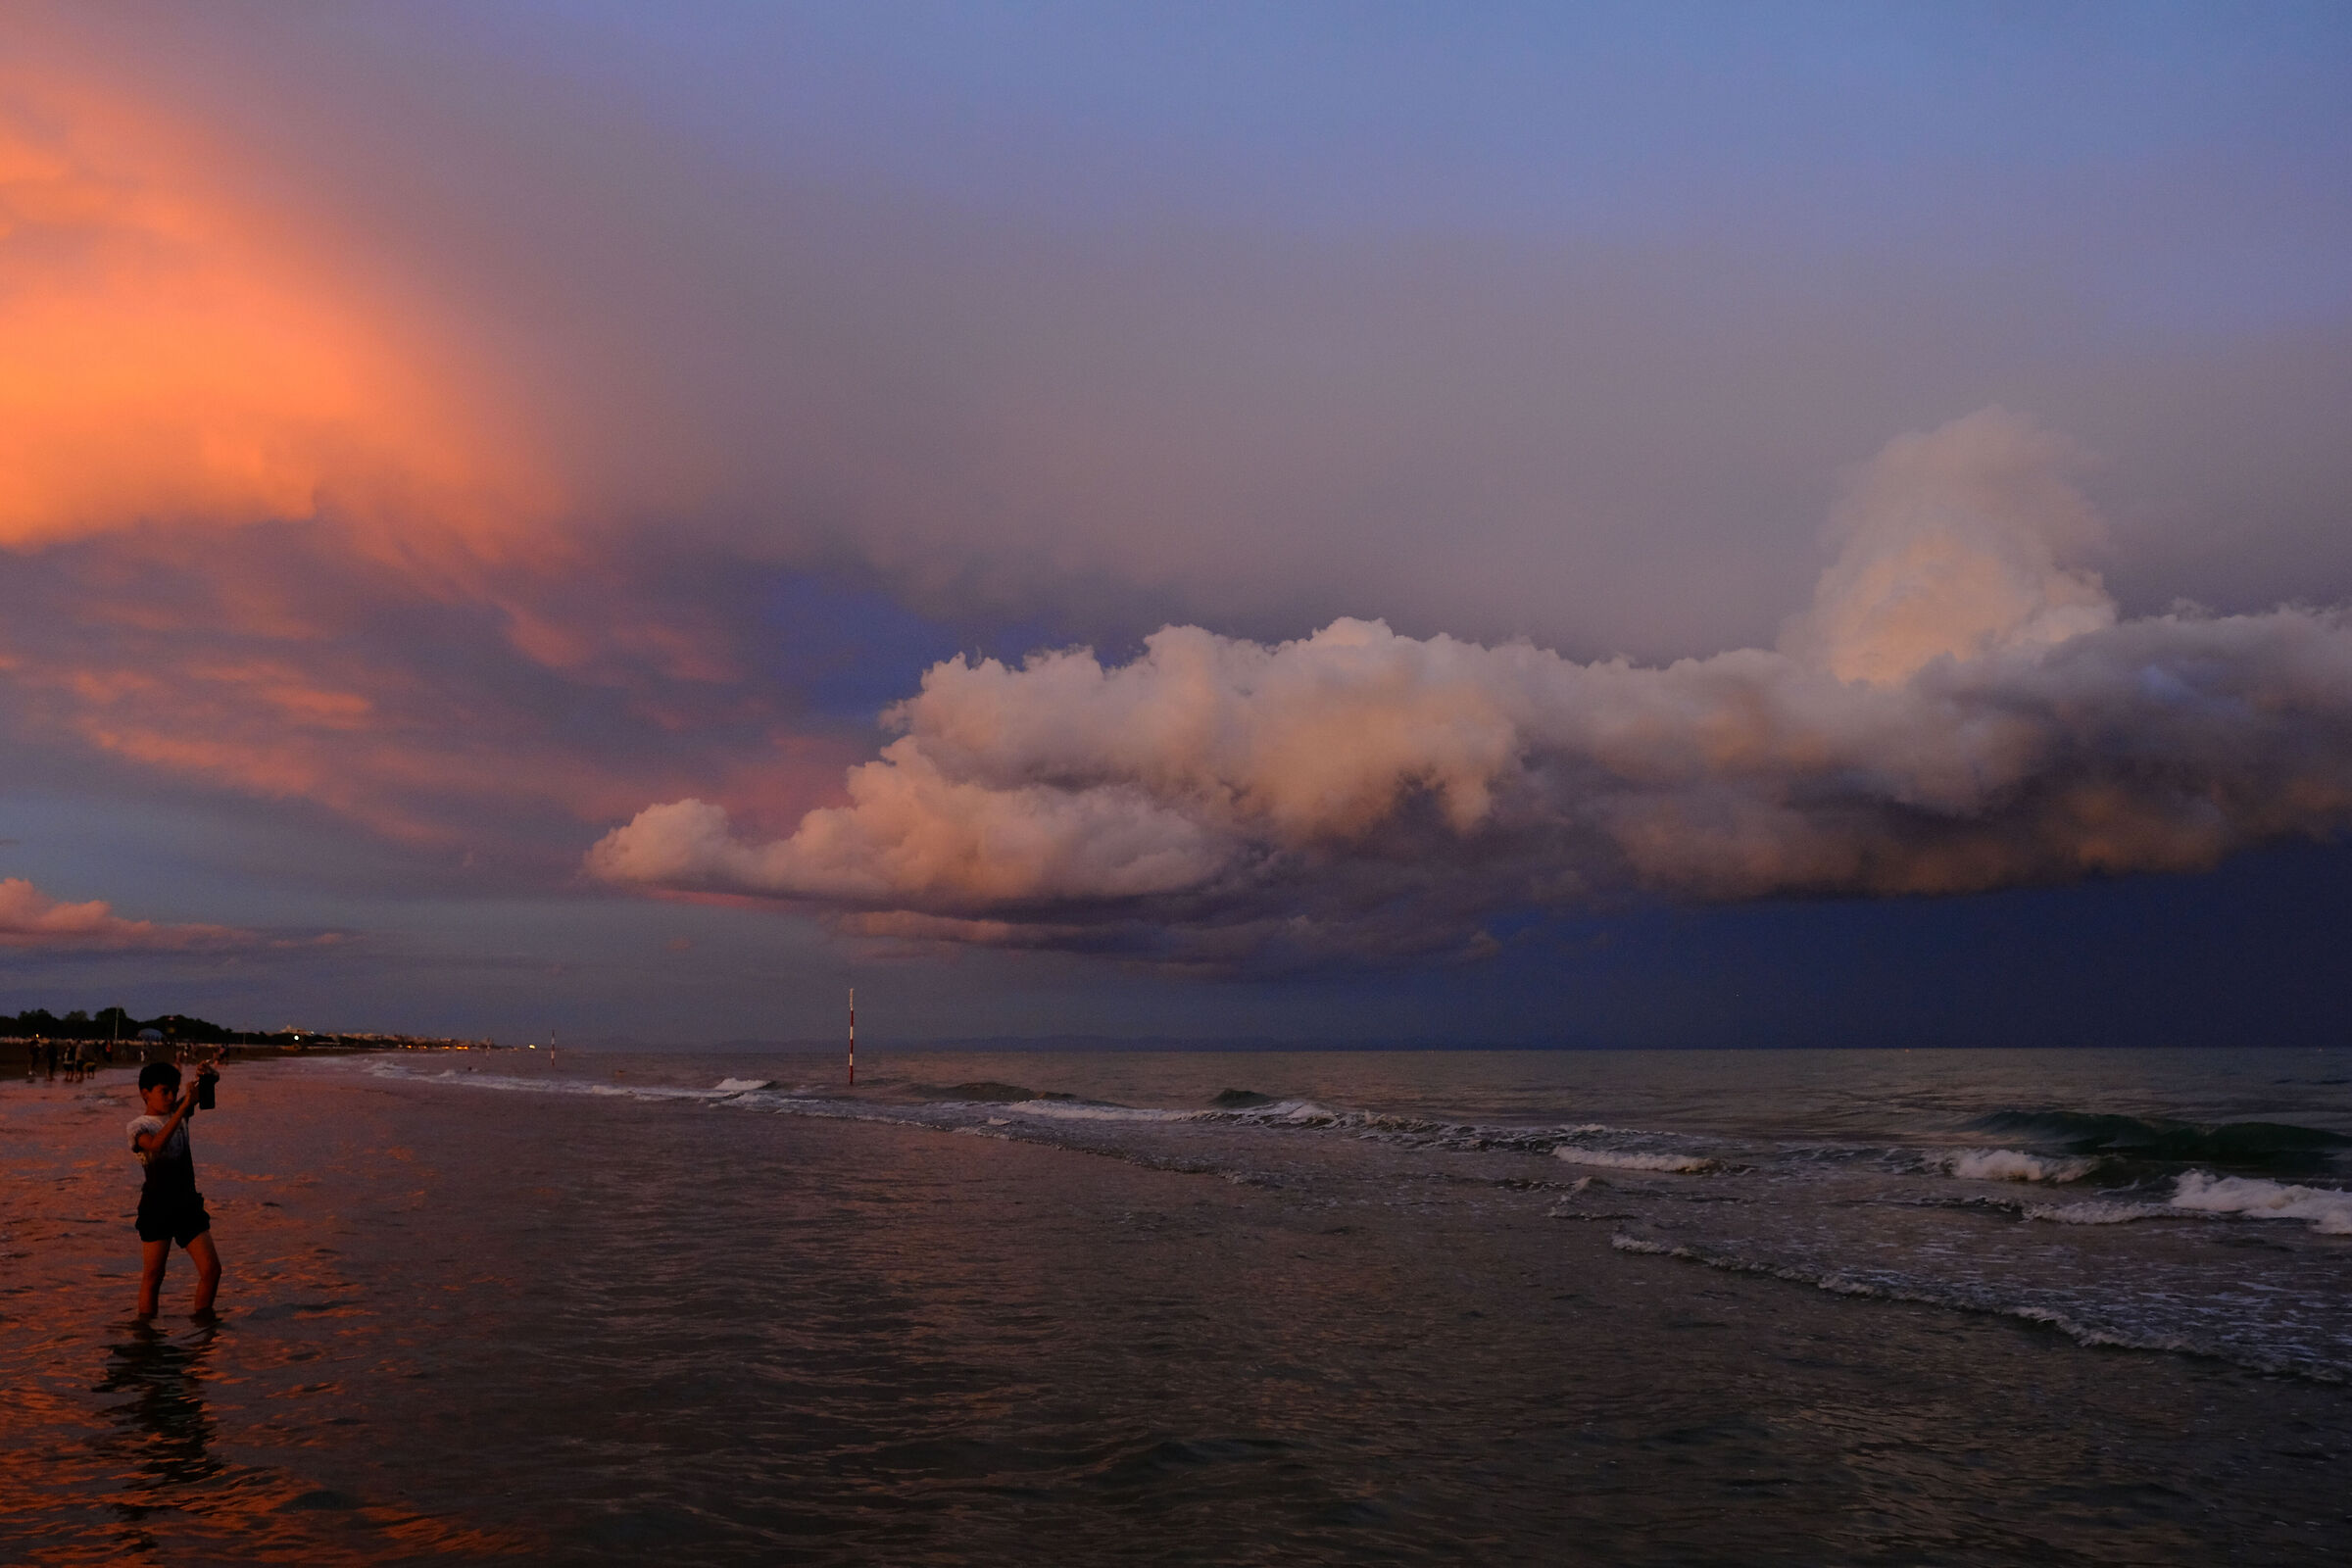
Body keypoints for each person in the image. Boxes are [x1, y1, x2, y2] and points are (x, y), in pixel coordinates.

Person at [127, 1061, 222, 1319]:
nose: (170, 1097)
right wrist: (182, 1108)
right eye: (164, 1091)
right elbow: (155, 1145)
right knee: (154, 1276)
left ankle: (203, 1325)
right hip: (157, 1207)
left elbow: (203, 1095)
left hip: (187, 1204)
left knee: (212, 1270)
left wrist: (208, 1077)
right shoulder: (138, 1126)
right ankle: (146, 1332)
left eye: (174, 1091)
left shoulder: (177, 1113)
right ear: (145, 1093)